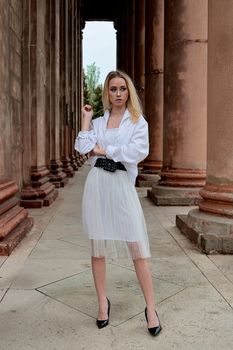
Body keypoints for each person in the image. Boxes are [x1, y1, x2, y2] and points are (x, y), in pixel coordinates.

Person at [75, 70, 161, 337]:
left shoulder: (137, 122)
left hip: (121, 185)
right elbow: (82, 146)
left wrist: (105, 150)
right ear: (107, 93)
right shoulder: (99, 122)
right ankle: (103, 303)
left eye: (122, 89)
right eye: (113, 89)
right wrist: (87, 120)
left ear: (129, 92)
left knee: (137, 246)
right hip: (98, 184)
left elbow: (137, 151)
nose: (118, 94)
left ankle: (151, 308)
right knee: (98, 247)